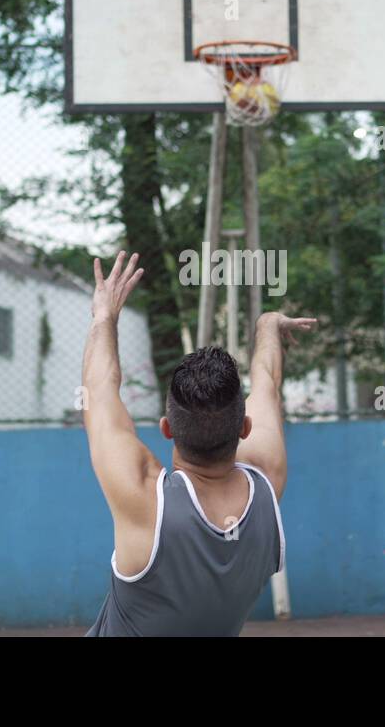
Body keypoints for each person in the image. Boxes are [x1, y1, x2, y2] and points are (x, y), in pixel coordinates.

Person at [81, 251, 315, 636]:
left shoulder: (145, 501)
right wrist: (268, 326)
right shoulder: (266, 482)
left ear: (166, 428)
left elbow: (98, 389)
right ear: (245, 428)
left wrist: (104, 316)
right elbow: (267, 381)